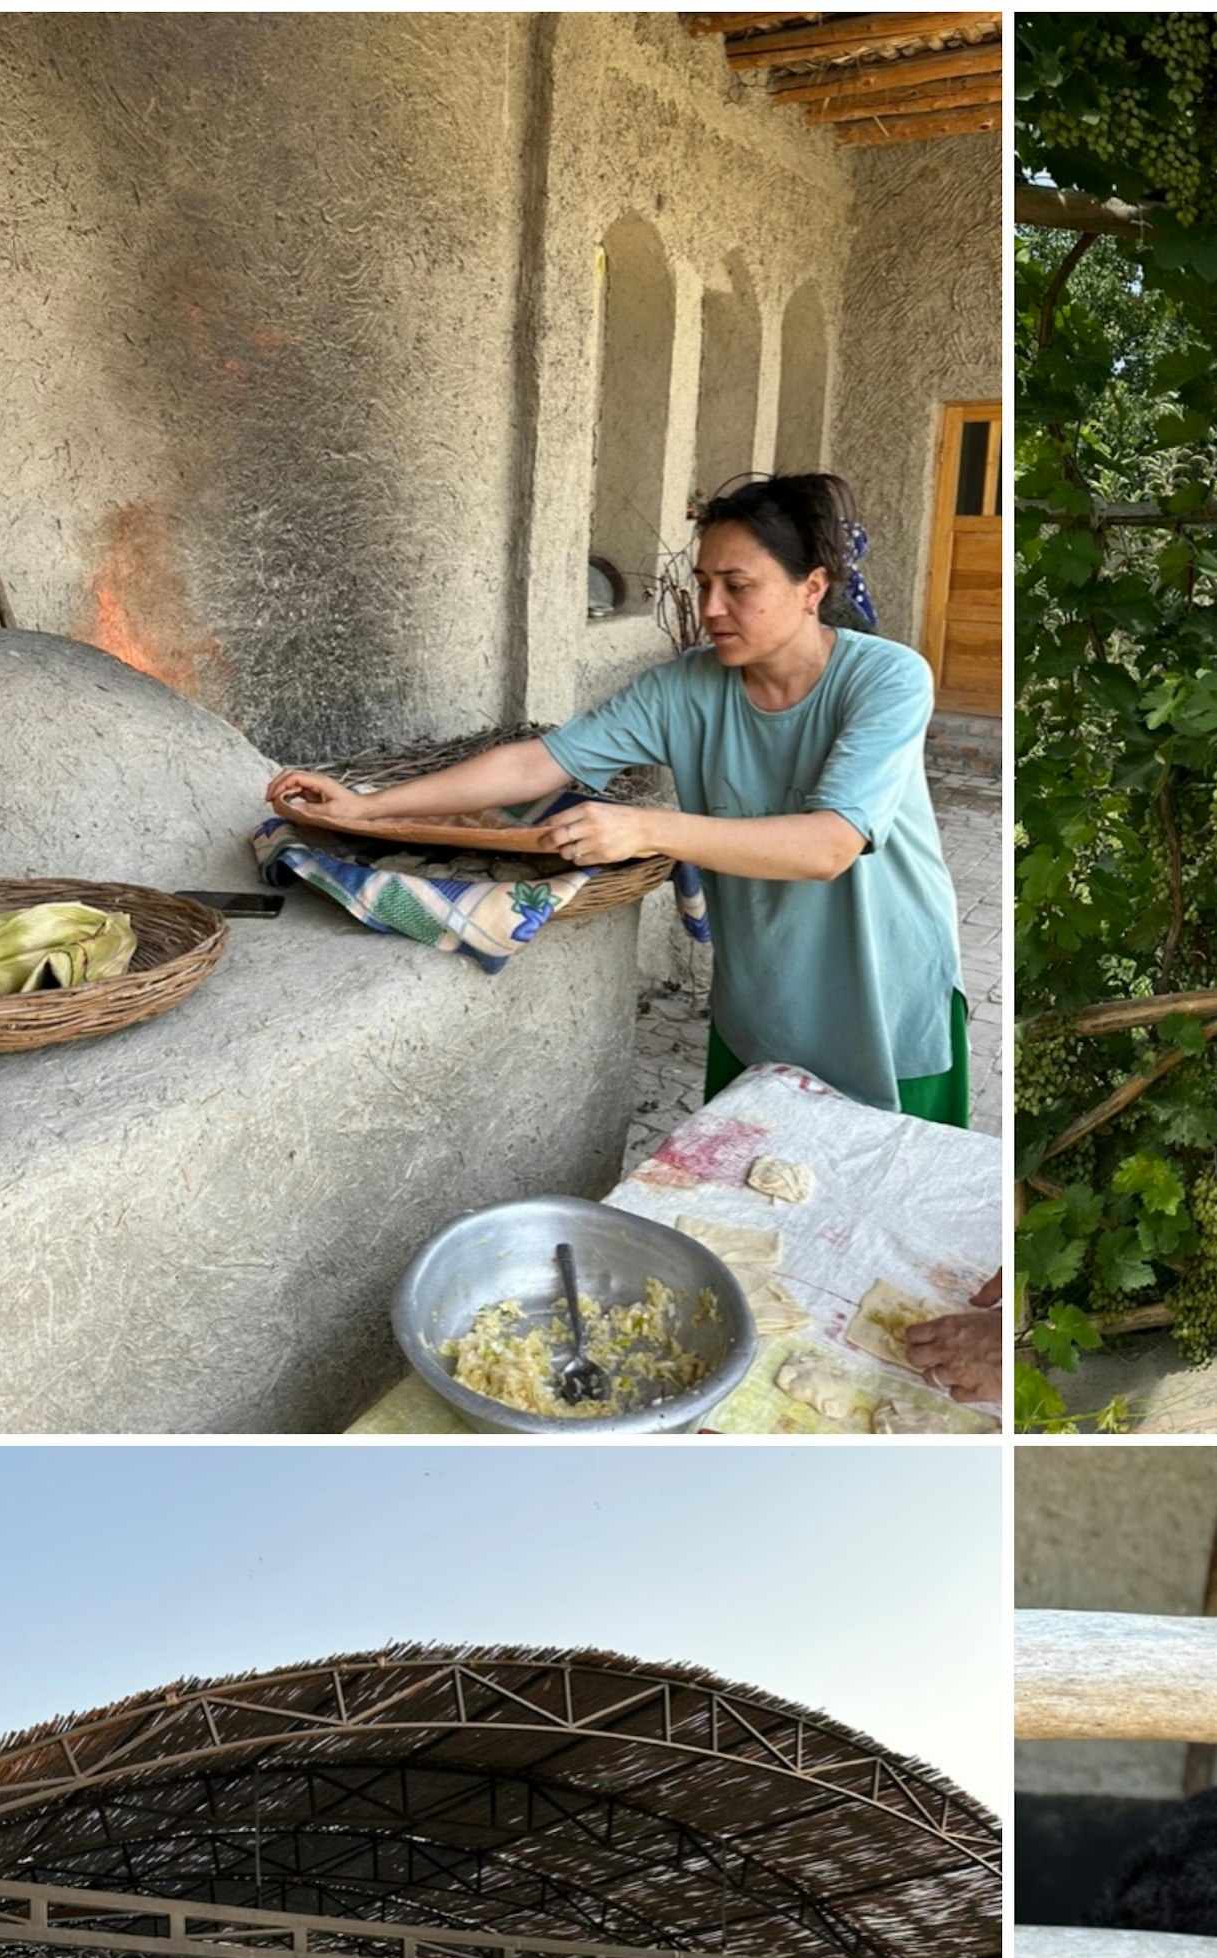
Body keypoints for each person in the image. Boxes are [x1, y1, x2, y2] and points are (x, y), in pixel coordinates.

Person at [266, 471, 998, 1395]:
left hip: (885, 992)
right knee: (766, 1239)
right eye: (703, 583)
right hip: (765, 997)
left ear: (813, 588)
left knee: (898, 1251)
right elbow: (540, 760)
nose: (713, 607)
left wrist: (647, 826)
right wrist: (373, 806)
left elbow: (829, 843)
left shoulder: (885, 678)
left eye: (741, 585)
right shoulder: (690, 688)